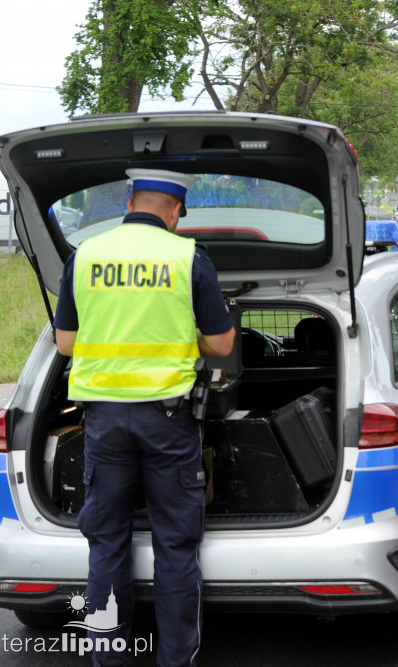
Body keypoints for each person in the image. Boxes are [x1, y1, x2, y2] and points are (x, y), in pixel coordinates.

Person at [52, 169, 236, 667]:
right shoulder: (187, 259)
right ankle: (175, 661)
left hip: (103, 423)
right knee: (175, 547)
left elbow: (65, 343)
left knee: (106, 544)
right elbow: (221, 345)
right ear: (176, 210)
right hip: (169, 422)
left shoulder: (84, 255)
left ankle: (109, 659)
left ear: (129, 199)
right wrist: (185, 335)